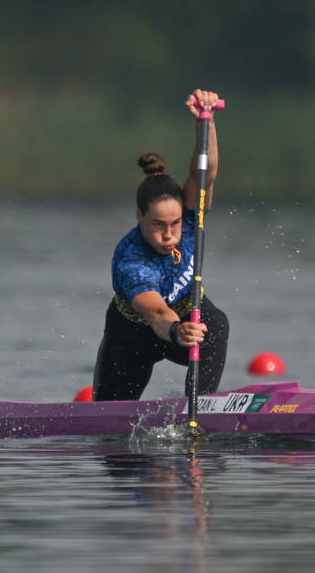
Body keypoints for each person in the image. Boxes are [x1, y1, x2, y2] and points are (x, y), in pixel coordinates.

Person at [93, 89, 229, 401]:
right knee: (110, 421)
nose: (169, 235)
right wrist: (176, 331)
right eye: (158, 225)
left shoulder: (192, 220)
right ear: (140, 216)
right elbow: (155, 312)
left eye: (175, 224)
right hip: (133, 336)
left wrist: (204, 123)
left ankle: (200, 406)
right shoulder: (130, 259)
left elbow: (204, 175)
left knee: (217, 324)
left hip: (187, 318)